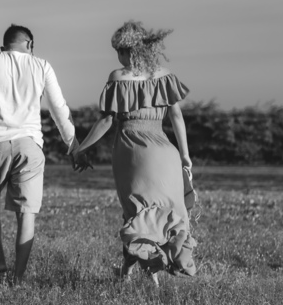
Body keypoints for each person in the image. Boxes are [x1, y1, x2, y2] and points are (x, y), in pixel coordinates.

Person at [0, 24, 78, 284]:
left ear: (3, 47)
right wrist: (73, 145)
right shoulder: (42, 66)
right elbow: (59, 109)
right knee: (26, 214)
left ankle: (0, 260)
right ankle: (18, 278)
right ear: (30, 45)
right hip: (30, 146)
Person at [72, 20, 197, 281]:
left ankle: (136, 272)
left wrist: (80, 148)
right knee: (166, 213)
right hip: (166, 150)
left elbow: (106, 121)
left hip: (133, 150)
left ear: (129, 51)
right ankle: (131, 272)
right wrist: (184, 156)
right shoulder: (164, 75)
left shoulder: (119, 77)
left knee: (136, 214)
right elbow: (176, 117)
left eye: (119, 50)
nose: (118, 56)